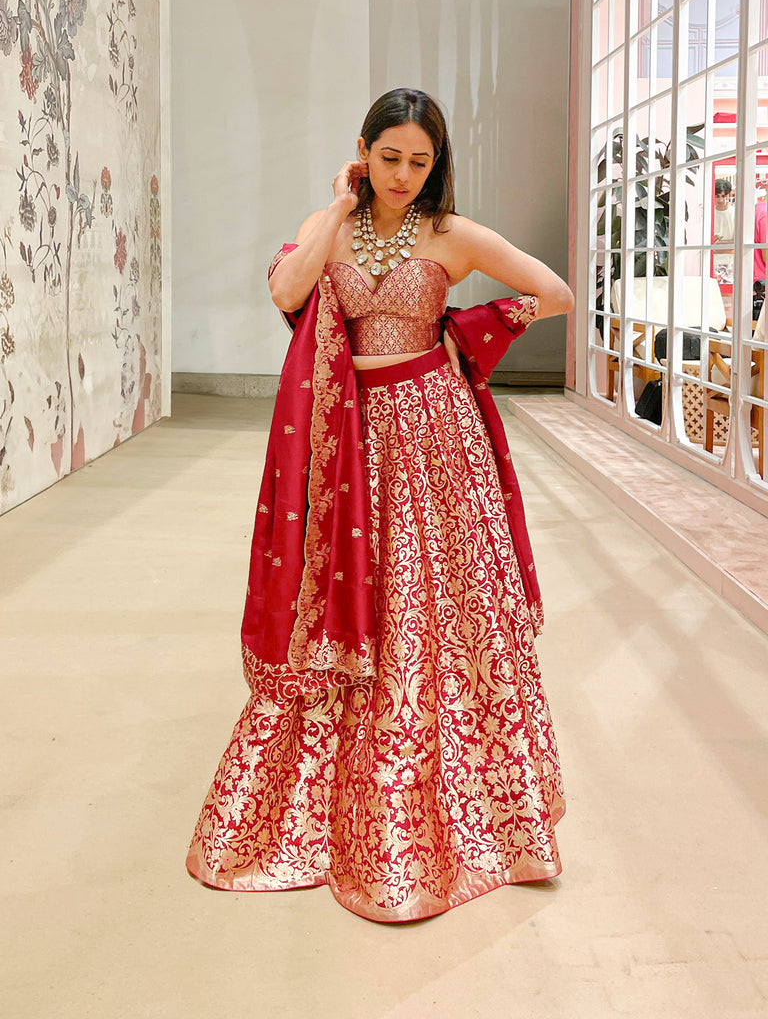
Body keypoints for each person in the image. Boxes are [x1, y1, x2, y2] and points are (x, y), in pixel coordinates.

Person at [186, 88, 574, 922]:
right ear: (363, 150)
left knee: (435, 605)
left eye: (419, 162)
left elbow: (557, 290)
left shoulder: (452, 235)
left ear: (437, 166)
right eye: (389, 157)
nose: (402, 176)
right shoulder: (334, 226)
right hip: (350, 441)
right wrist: (334, 208)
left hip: (435, 436)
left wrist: (479, 331)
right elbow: (287, 293)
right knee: (352, 602)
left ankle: (463, 799)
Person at [712, 179, 735, 283]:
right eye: (717, 196)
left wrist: (717, 245)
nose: (721, 200)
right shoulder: (709, 213)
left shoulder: (735, 213)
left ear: (729, 195)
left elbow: (737, 243)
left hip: (731, 262)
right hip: (712, 262)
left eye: (724, 196)